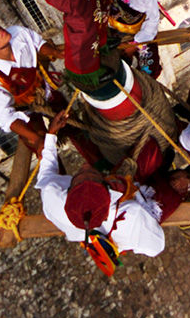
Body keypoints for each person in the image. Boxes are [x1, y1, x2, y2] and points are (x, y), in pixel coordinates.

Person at [0, 18, 99, 163]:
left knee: (73, 124)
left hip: (45, 92)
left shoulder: (17, 33)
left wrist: (54, 52)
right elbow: (4, 115)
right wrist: (37, 140)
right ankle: (59, 180)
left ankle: (100, 165)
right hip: (24, 113)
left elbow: (37, 43)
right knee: (44, 151)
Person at [36, 109, 168, 262]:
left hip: (95, 233)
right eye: (92, 174)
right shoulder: (132, 214)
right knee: (151, 153)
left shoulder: (52, 198)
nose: (85, 165)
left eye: (81, 173)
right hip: (143, 201)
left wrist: (51, 134)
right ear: (107, 188)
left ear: (70, 190)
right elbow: (156, 247)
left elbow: (46, 172)